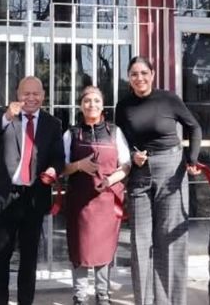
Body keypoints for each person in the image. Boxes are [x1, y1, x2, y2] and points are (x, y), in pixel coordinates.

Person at [115, 56, 202, 305]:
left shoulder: (168, 99)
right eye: (134, 74)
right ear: (129, 78)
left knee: (169, 240)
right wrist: (132, 155)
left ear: (152, 75)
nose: (139, 78)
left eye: (144, 73)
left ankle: (170, 301)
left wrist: (192, 158)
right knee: (140, 240)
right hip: (139, 173)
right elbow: (121, 141)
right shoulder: (123, 106)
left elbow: (194, 127)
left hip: (171, 169)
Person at [0, 76, 64, 305]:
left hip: (34, 197)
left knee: (29, 258)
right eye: (26, 93)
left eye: (35, 93)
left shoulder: (53, 123)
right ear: (17, 95)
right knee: (1, 255)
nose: (31, 98)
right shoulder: (4, 114)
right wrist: (7, 117)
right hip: (4, 195)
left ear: (43, 96)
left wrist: (53, 169)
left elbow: (58, 157)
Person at [62, 85, 130, 305]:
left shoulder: (115, 132)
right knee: (80, 251)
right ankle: (80, 296)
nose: (92, 104)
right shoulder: (71, 134)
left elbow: (126, 165)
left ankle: (103, 295)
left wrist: (110, 180)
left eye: (97, 101)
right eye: (87, 101)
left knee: (104, 250)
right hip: (80, 203)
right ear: (81, 105)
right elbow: (61, 168)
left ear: (103, 105)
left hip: (107, 203)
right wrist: (79, 165)